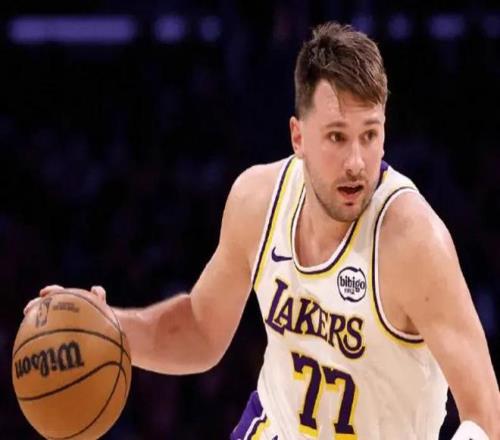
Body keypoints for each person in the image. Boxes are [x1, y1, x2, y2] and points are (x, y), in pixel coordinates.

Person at [30, 22, 499, 439]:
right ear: (298, 137)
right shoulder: (258, 201)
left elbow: (484, 413)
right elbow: (201, 328)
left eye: (369, 135)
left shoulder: (413, 240)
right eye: (337, 136)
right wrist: (108, 327)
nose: (357, 162)